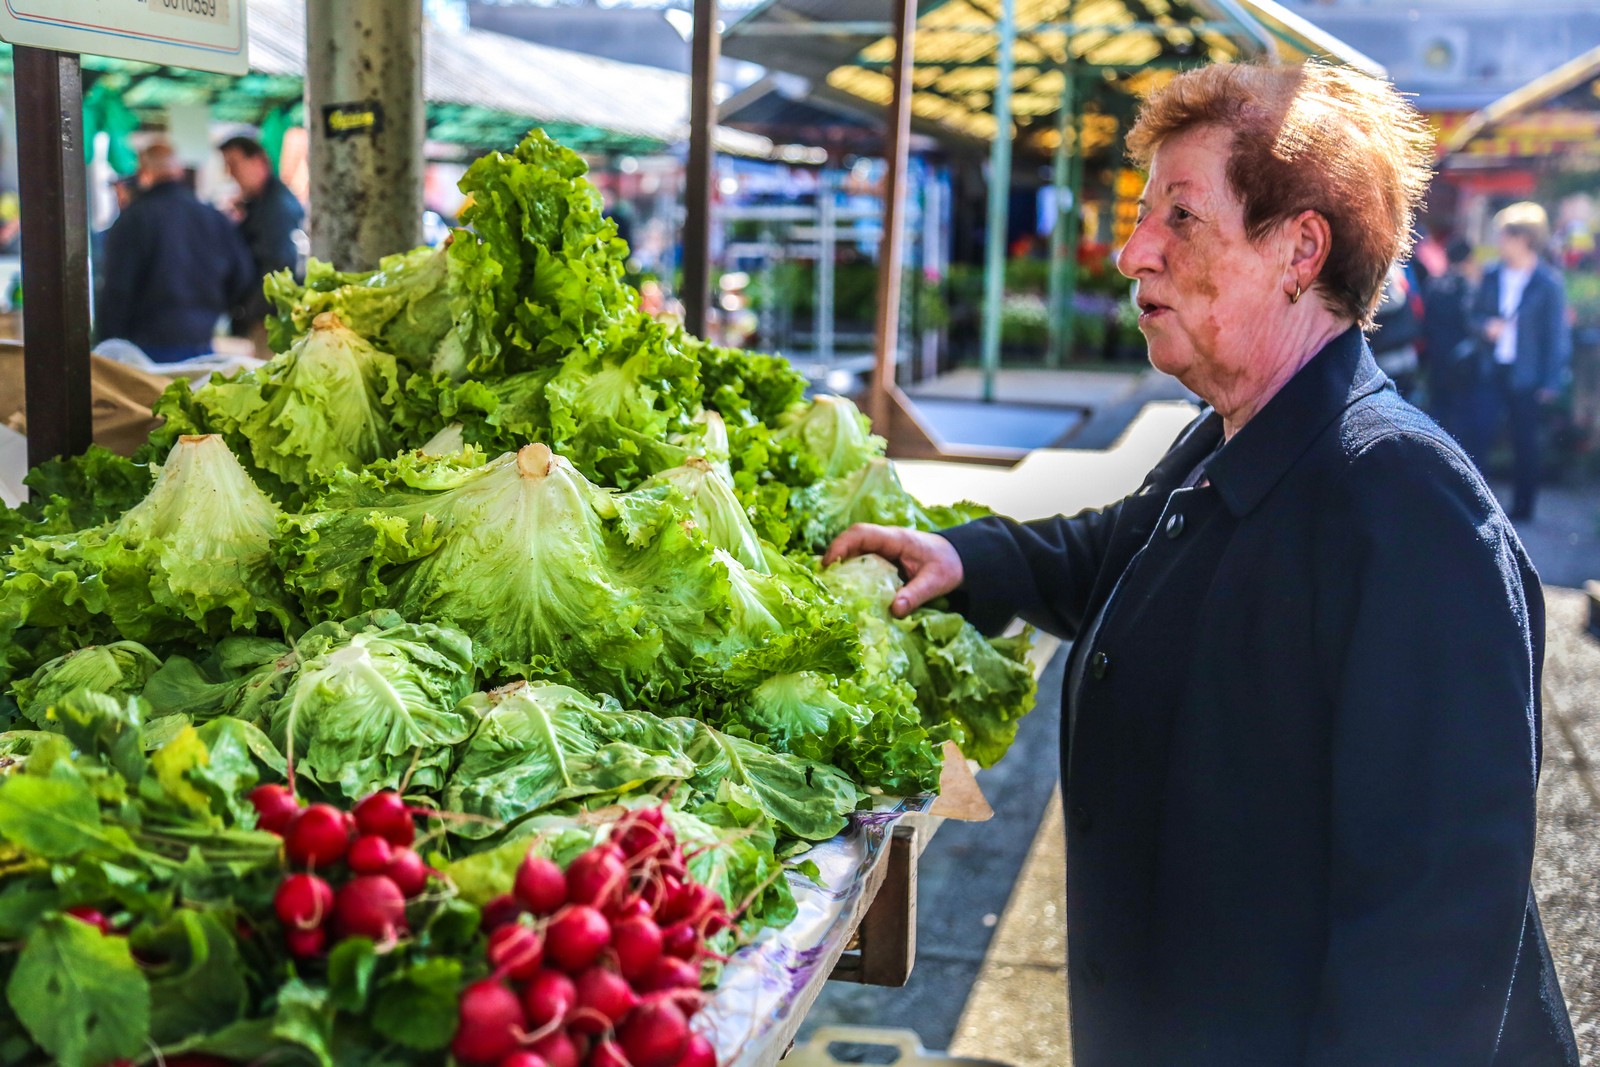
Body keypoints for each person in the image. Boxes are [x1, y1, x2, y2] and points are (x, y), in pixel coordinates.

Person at [825, 62, 1577, 1066]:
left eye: (1179, 217)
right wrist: (966, 556)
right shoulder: (1237, 436)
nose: (1134, 252)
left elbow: (1431, 939)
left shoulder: (1404, 504)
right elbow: (1120, 548)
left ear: (1299, 250)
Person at [98, 143, 254, 363]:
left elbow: (117, 289)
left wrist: (107, 345)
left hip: (146, 348)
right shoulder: (213, 218)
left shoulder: (133, 220)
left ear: (144, 173)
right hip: (201, 342)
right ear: (178, 172)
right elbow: (242, 274)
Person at [1469, 202, 1571, 522]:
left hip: (1527, 375)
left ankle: (1523, 511)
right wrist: (1485, 326)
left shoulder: (1548, 282)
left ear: (1524, 238)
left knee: (1525, 443)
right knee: (1479, 435)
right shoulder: (1491, 275)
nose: (1499, 242)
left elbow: (1556, 336)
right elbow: (1472, 315)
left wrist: (1551, 381)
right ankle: (1477, 506)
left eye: (1505, 235)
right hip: (1491, 368)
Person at [220, 134, 304, 352]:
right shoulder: (257, 205)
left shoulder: (276, 208)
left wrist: (251, 312)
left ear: (258, 161)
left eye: (234, 165)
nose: (231, 174)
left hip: (269, 319)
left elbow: (278, 262)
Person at [1424, 237, 1487, 456]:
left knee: (1439, 414)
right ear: (1468, 259)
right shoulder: (1469, 288)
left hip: (1437, 360)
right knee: (1464, 418)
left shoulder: (1433, 284)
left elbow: (1426, 322)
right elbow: (1472, 323)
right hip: (1463, 362)